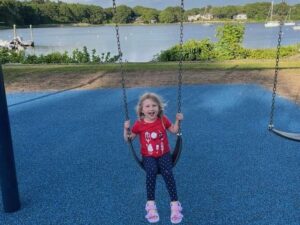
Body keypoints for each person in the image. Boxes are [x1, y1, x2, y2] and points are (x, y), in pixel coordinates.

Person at [124, 92, 184, 224]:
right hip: (148, 156)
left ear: (159, 107)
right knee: (150, 172)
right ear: (141, 110)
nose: (151, 109)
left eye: (154, 105)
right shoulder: (139, 124)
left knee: (168, 173)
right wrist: (126, 129)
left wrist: (178, 120)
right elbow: (129, 139)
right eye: (147, 106)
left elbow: (174, 130)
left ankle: (175, 204)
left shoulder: (163, 120)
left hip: (164, 154)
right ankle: (150, 205)